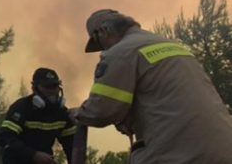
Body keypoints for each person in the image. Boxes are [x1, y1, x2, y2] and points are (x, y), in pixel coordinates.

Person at [69, 9, 232, 163]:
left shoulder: (121, 52)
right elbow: (167, 101)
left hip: (178, 155)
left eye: (98, 43)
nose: (102, 49)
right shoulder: (173, 46)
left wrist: (78, 114)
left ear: (103, 32)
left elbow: (101, 110)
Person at [0, 67, 76, 164]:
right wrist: (33, 155)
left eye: (55, 86)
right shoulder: (21, 108)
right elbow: (5, 137)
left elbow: (71, 146)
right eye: (47, 87)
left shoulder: (62, 113)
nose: (52, 91)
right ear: (35, 88)